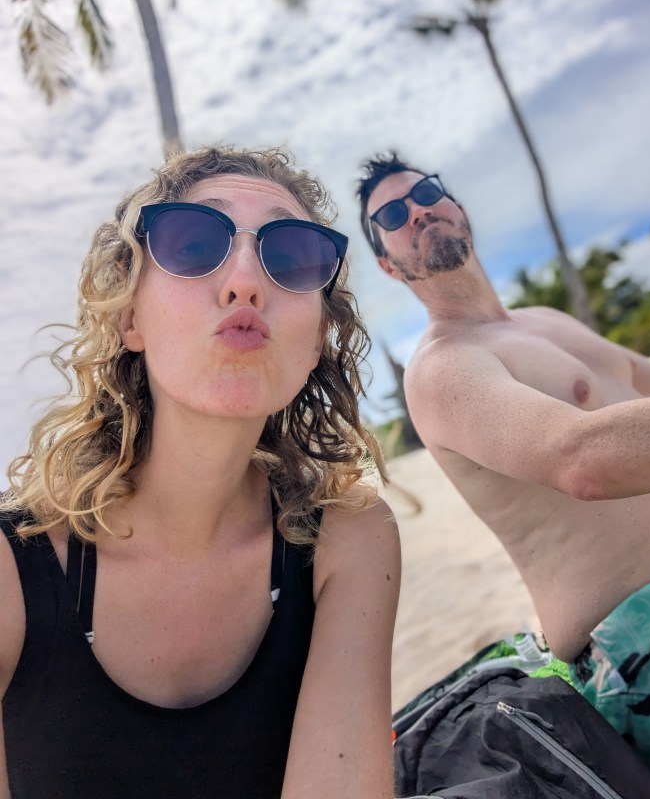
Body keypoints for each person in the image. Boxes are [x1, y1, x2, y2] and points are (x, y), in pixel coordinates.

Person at [356, 152, 650, 791]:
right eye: (391, 216)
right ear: (389, 263)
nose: (417, 211)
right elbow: (581, 459)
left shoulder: (545, 323)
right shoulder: (442, 369)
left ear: (457, 207)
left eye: (427, 193)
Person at [1, 146, 400, 799]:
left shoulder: (349, 539)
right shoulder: (11, 568)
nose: (245, 281)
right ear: (129, 316)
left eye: (290, 257)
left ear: (318, 337)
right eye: (192, 245)